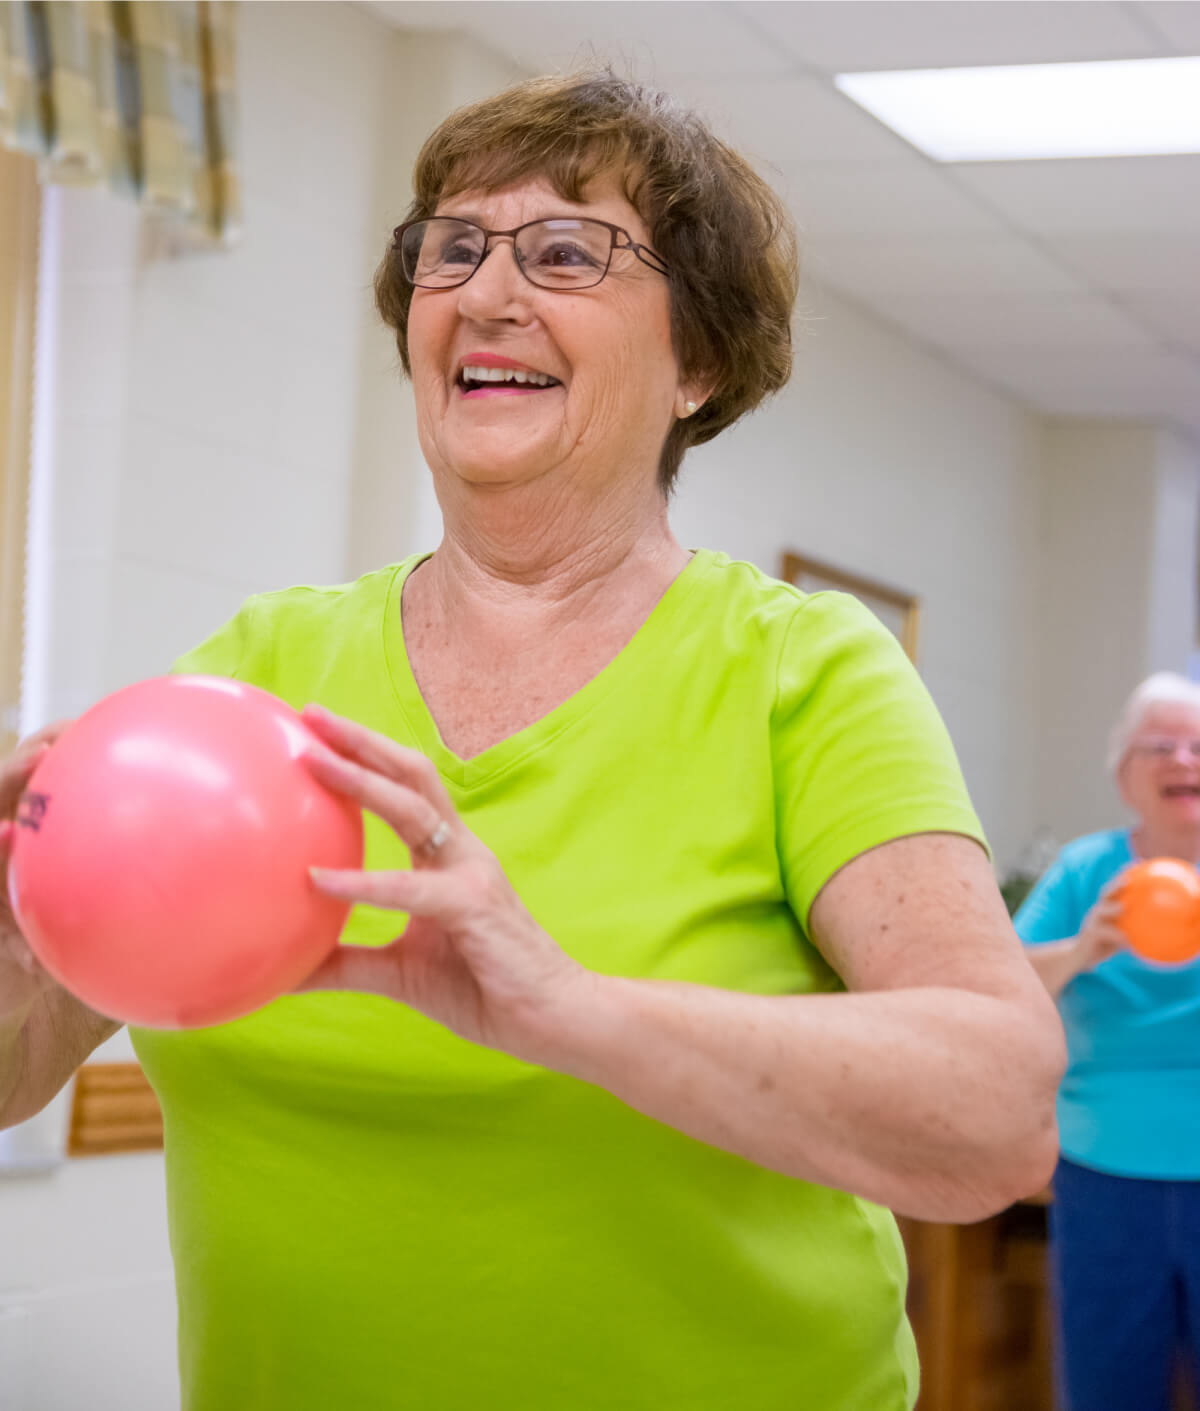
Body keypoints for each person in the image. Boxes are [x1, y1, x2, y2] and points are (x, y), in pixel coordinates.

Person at [1, 72, 1063, 1411]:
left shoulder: (801, 669)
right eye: (452, 247)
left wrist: (562, 1009)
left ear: (700, 361)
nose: (488, 292)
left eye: (567, 251)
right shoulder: (260, 671)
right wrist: (12, 952)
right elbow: (19, 1067)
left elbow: (997, 1118)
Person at [1016, 671, 1200, 1411]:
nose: (1183, 760)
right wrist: (1083, 948)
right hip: (1103, 1174)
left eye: (1197, 745)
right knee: (1105, 1389)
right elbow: (1006, 978)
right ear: (1125, 775)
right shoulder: (1086, 871)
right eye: (1160, 745)